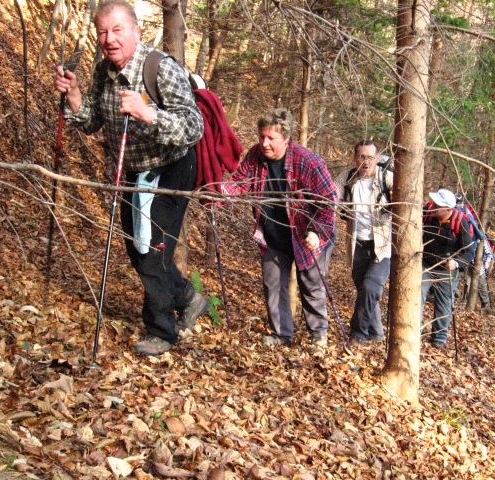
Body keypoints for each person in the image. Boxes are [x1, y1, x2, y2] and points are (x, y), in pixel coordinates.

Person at [53, 0, 208, 356]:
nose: (110, 39)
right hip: (130, 170)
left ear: (136, 31)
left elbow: (193, 126)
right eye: (103, 32)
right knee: (136, 252)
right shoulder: (101, 72)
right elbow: (91, 121)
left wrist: (147, 112)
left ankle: (162, 332)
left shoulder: (160, 68)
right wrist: (74, 95)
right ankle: (188, 297)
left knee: (152, 253)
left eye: (117, 30)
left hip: (172, 167)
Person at [222, 109, 337, 347]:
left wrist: (317, 231)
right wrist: (220, 192)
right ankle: (282, 334)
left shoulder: (307, 161)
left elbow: (329, 199)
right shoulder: (256, 155)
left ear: (286, 138)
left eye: (271, 138)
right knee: (273, 284)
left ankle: (318, 336)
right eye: (262, 136)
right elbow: (240, 182)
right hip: (273, 234)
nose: (264, 143)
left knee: (311, 284)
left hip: (307, 234)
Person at [335, 140, 392, 345]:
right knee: (364, 290)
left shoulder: (387, 178)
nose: (366, 162)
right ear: (354, 157)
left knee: (370, 288)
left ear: (377, 159)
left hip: (383, 246)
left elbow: (406, 203)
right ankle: (376, 333)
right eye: (362, 157)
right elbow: (333, 195)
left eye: (370, 157)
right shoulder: (348, 177)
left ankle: (358, 333)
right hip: (357, 243)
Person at [422, 189, 474, 348]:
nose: (434, 206)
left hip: (447, 271)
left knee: (444, 304)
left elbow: (469, 251)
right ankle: (414, 329)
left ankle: (439, 338)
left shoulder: (460, 222)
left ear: (448, 209)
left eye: (438, 205)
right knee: (417, 296)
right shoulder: (428, 213)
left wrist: (457, 263)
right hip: (425, 264)